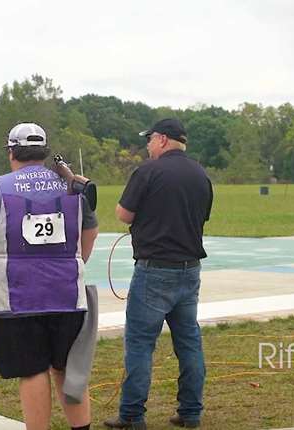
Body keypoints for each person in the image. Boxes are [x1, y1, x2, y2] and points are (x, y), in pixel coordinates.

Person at [0, 123, 99, 430]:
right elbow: (90, 230)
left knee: (33, 369)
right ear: (45, 152)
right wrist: (74, 263)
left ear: (12, 152)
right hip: (67, 294)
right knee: (68, 368)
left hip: (17, 297)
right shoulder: (74, 185)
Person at [104, 118, 212, 430]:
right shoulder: (200, 174)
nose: (148, 146)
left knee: (139, 344)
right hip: (190, 270)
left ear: (162, 139)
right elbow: (201, 216)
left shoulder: (148, 172)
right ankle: (191, 412)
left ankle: (132, 415)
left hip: (154, 270)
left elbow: (124, 213)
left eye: (149, 140)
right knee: (189, 342)